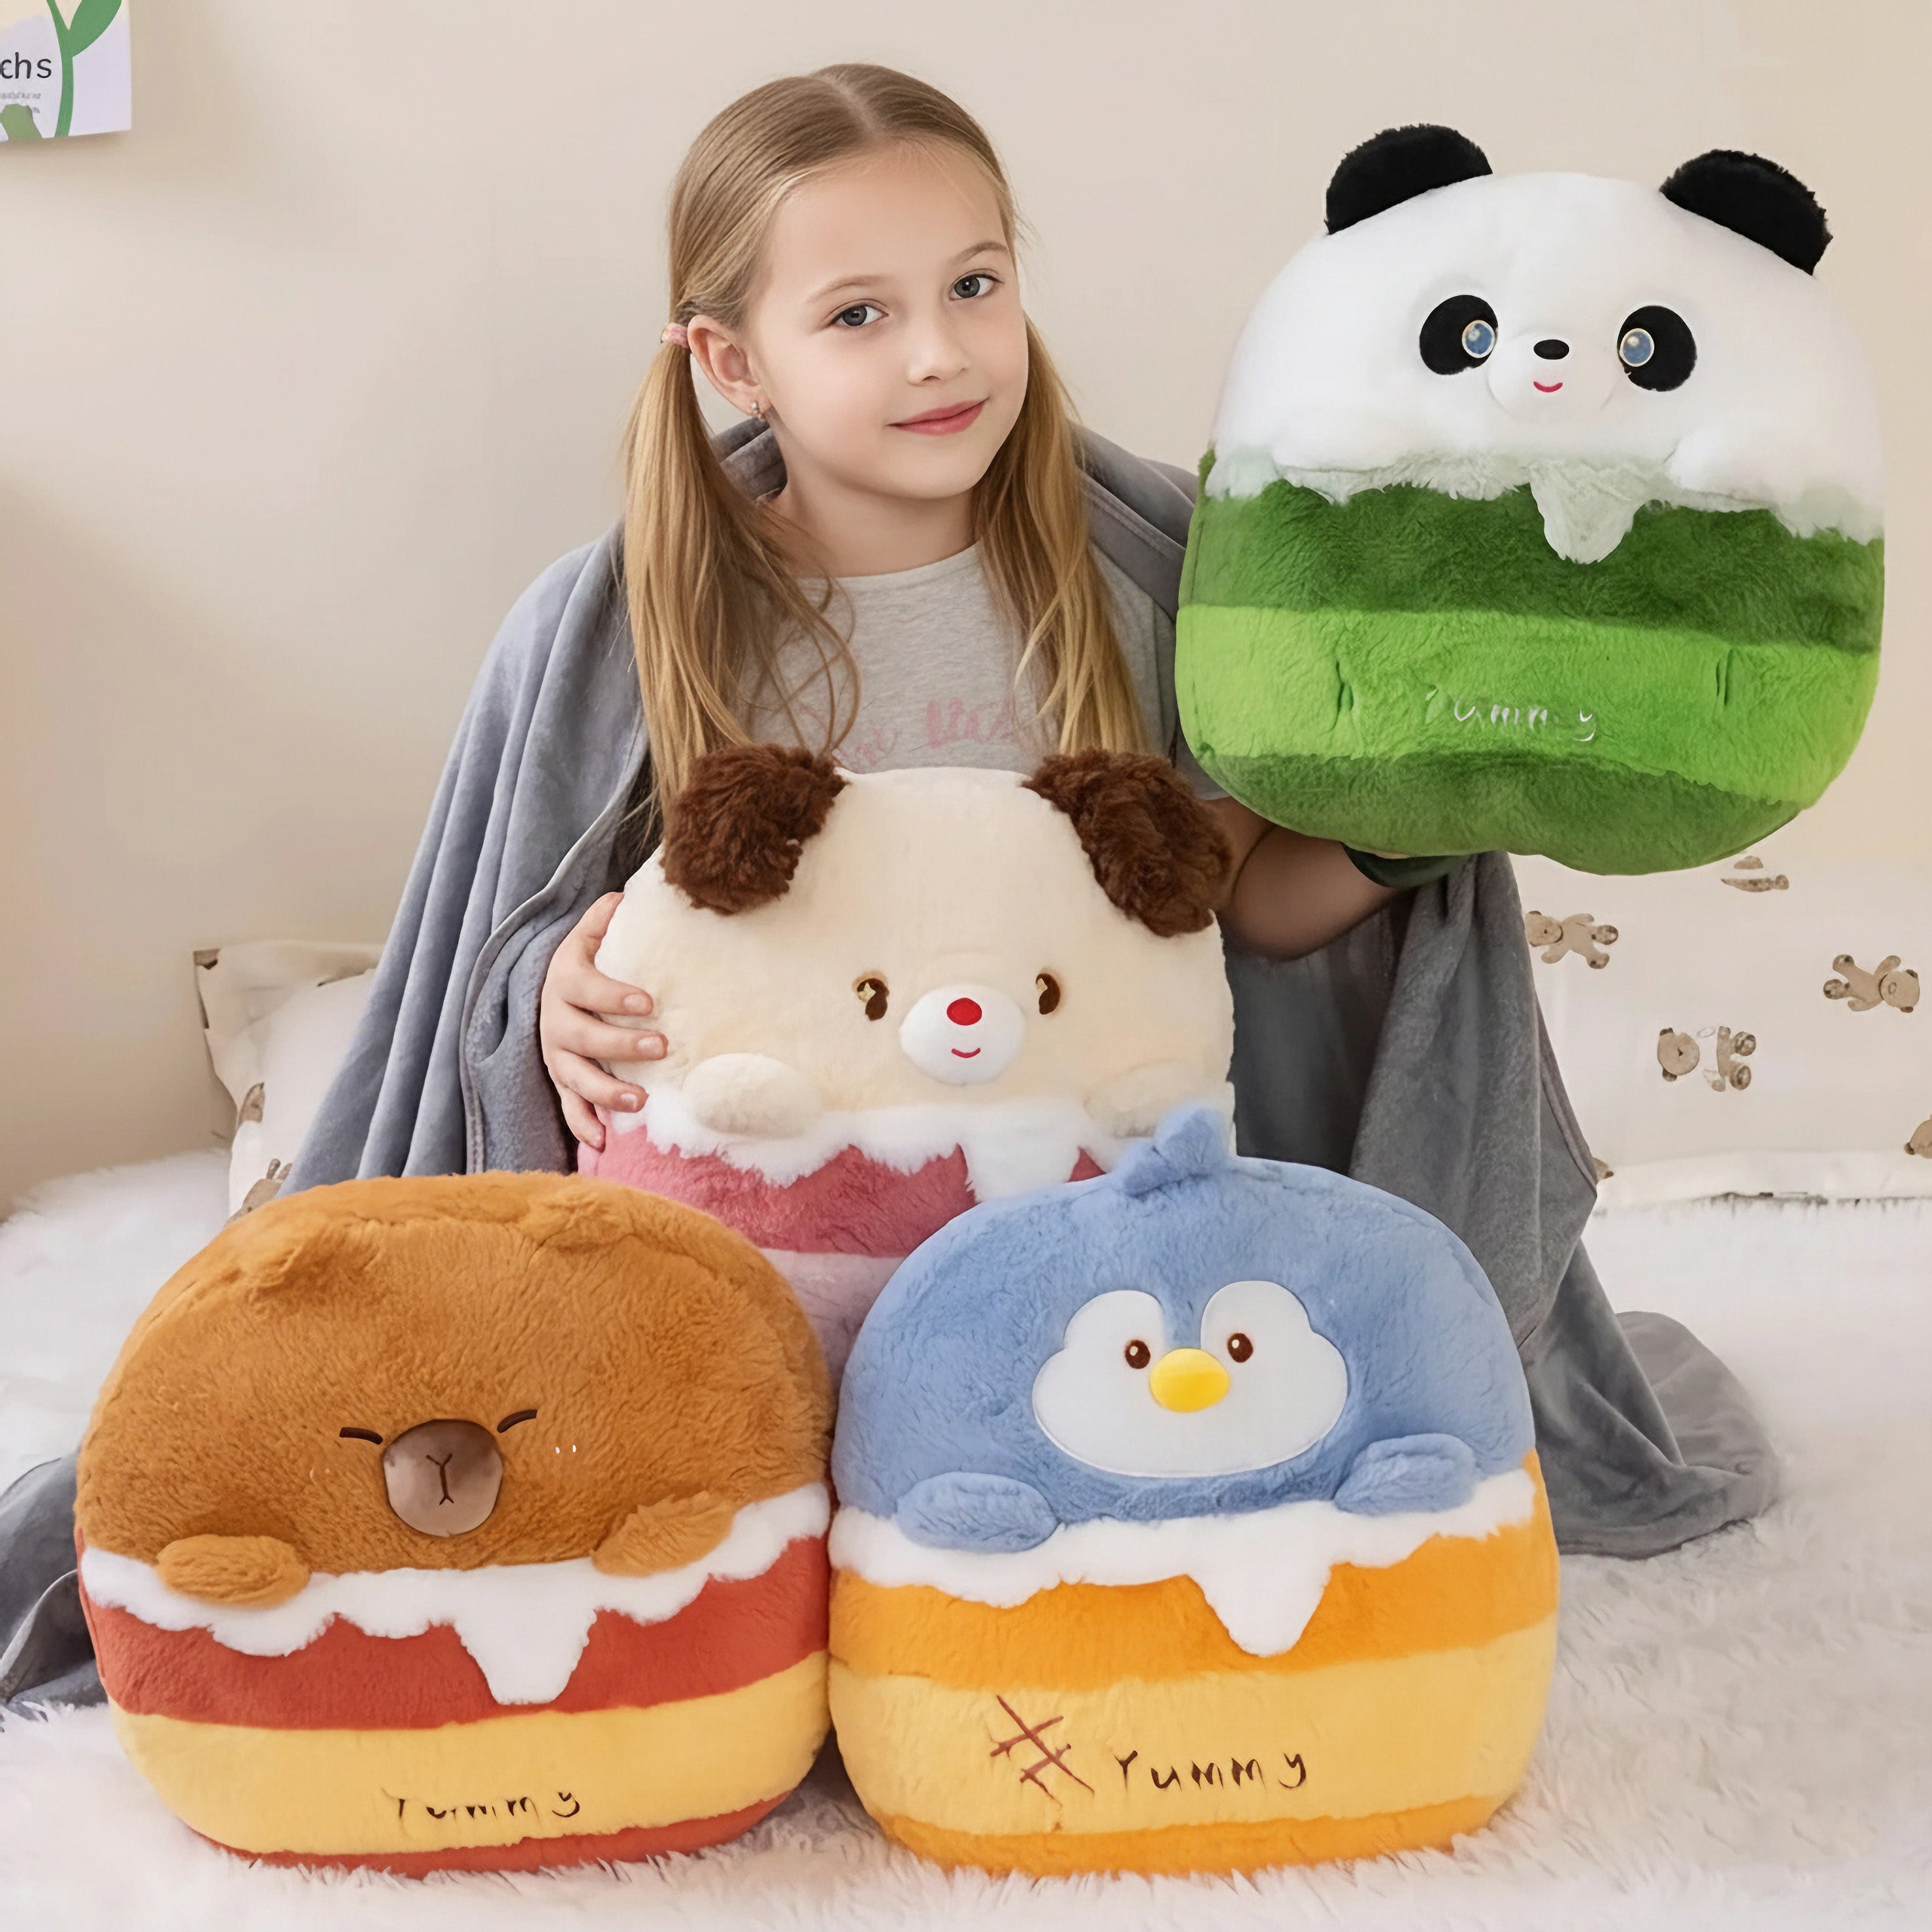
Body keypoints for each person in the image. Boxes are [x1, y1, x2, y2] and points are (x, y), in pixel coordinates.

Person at [0, 64, 1771, 1713]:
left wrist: (1413, 818)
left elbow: (1243, 913)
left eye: (977, 284)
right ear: (732, 356)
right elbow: (520, 937)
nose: (942, 353)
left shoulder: (1144, 574)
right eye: (859, 313)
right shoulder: (622, 620)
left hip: (1083, 1245)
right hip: (767, 1254)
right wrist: (544, 988)